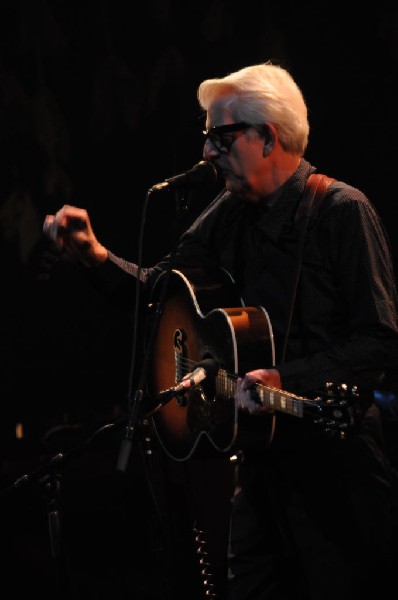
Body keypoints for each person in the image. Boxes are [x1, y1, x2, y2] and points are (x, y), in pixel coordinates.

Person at [43, 62, 398, 600]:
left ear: (268, 137)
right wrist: (95, 256)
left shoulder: (341, 210)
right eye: (205, 137)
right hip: (261, 467)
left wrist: (287, 377)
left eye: (219, 137)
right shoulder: (227, 213)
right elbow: (159, 295)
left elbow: (379, 340)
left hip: (339, 470)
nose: (207, 152)